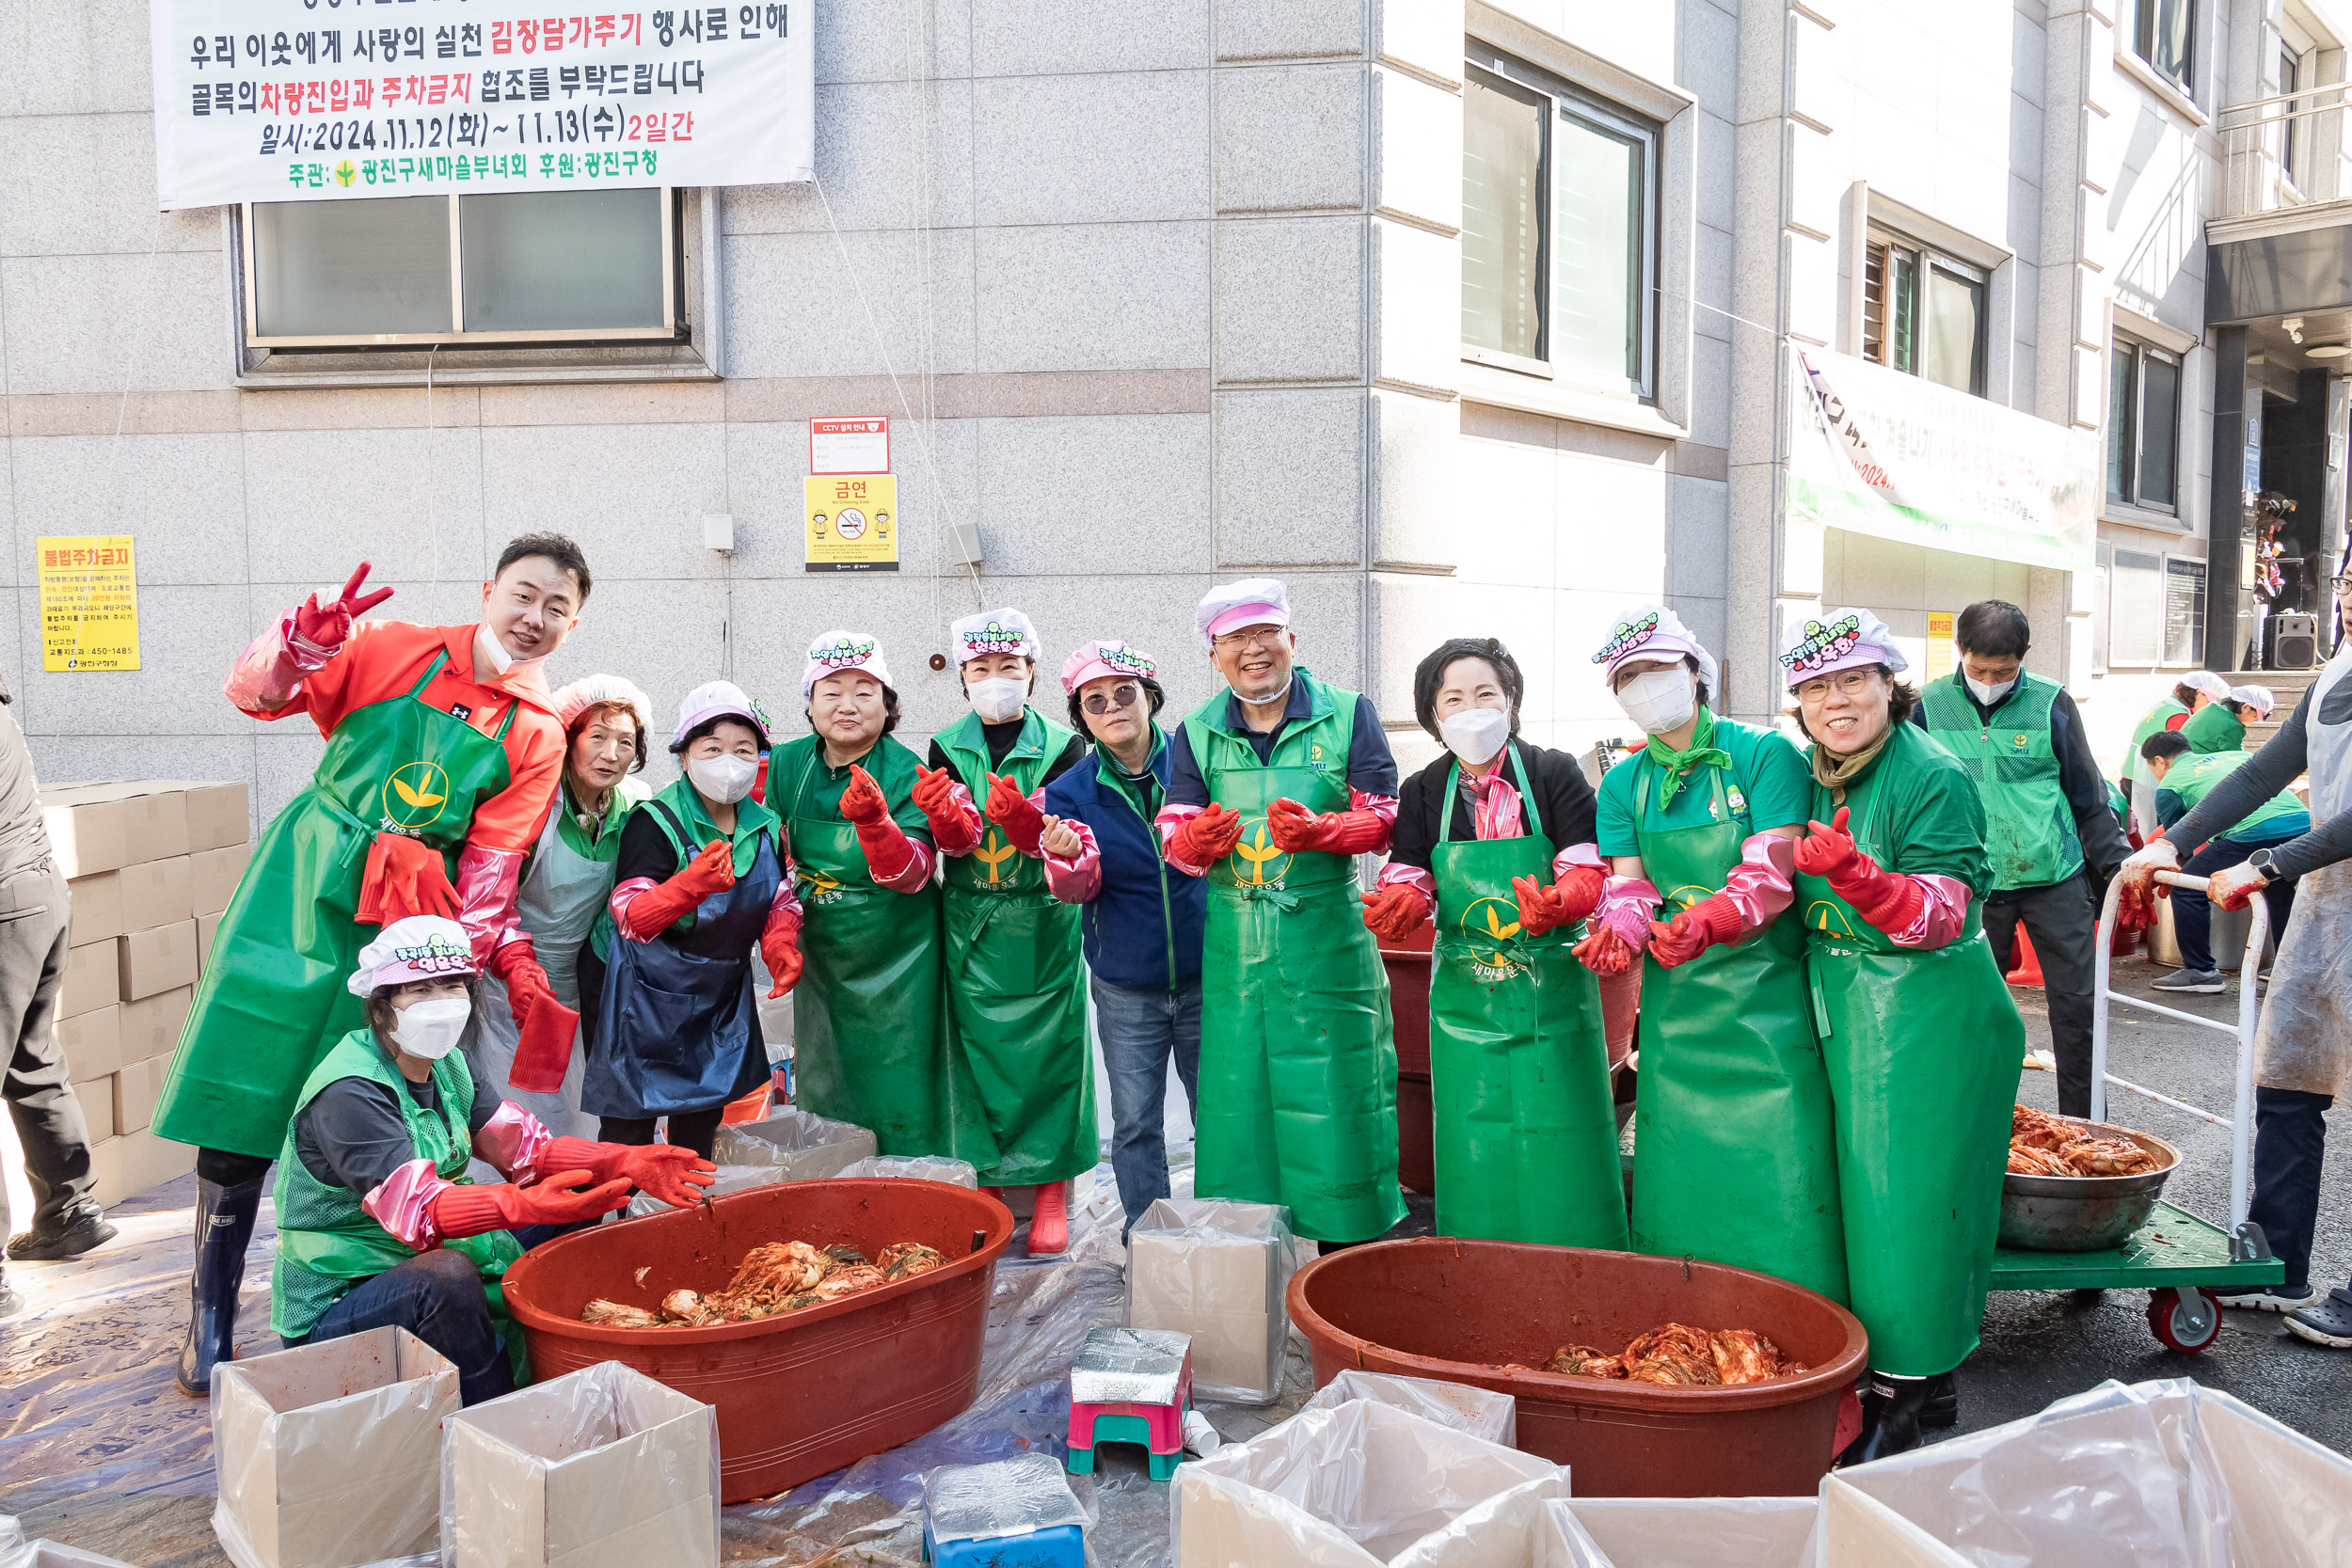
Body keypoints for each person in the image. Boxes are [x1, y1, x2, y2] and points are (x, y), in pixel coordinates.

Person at [158, 535, 588, 1397]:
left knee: (381, 1091)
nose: (535, 619)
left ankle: (368, 1279)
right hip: (302, 881)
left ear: (574, 624)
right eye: (524, 595)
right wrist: (300, 644)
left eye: (558, 609)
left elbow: (491, 872)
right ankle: (210, 1308)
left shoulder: (538, 731)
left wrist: (475, 965)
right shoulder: (392, 647)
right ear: (488, 590)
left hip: (404, 917)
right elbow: (256, 695)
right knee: (248, 1082)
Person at [272, 917, 711, 1404]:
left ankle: (564, 1343)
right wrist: (523, 1206)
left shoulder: (450, 1065)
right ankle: (494, 1410)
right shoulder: (350, 1092)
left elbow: (528, 1150)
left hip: (419, 1254)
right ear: (381, 1010)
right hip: (343, 1295)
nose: (440, 1003)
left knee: (584, 1187)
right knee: (448, 1278)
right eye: (419, 990)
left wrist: (621, 1160)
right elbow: (419, 1212)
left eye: (452, 986)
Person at [1782, 608, 2024, 1463]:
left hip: (1925, 1013)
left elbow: (1941, 912)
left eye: (1854, 680)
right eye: (1816, 686)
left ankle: (1901, 1404)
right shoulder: (1811, 770)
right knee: (1854, 1206)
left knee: (1909, 1207)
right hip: (1845, 999)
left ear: (1891, 683)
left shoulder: (1934, 773)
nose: (1835, 700)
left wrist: (1862, 879)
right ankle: (1924, 1374)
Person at [1576, 608, 1844, 1302]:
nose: (1646, 686)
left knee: (1785, 1174)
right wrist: (1620, 933)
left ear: (1695, 670)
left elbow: (1773, 866)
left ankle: (1801, 1316)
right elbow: (1631, 886)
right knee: (1685, 1181)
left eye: (1659, 668)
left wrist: (1711, 919)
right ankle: (1686, 1313)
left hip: (1769, 1014)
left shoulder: (1764, 754)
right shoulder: (1621, 785)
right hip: (1676, 1018)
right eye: (1628, 677)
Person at [1157, 578, 1405, 1248]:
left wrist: (1329, 831)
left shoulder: (1349, 713)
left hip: (1328, 953)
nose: (1253, 650)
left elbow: (1385, 817)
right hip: (1238, 962)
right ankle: (1244, 1266)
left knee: (1334, 1105)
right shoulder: (1197, 731)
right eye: (1234, 639)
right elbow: (1174, 831)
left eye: (1265, 633)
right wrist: (1191, 844)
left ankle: (1344, 1257)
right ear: (1215, 655)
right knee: (1242, 1108)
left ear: (1291, 638)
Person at [1360, 637, 1624, 1247]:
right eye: (1453, 697)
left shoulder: (1553, 772)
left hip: (1553, 1003)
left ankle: (1586, 1264)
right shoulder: (1423, 790)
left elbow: (1588, 864)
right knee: (1476, 1150)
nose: (1471, 708)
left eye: (1486, 693)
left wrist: (1566, 899)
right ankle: (1479, 1268)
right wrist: (1402, 904)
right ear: (1434, 715)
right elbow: (1411, 875)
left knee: (1564, 1146)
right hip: (1465, 1014)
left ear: (1510, 701)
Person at [2119, 662, 2352, 1333]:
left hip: (2312, 871)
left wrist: (2269, 864)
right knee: (2288, 1083)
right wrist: (2170, 838)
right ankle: (2277, 1262)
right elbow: (2258, 775)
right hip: (2330, 899)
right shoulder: (2334, 673)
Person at [912, 610, 1095, 1255]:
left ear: (1032, 671)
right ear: (962, 675)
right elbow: (952, 842)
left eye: (1009, 668)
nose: (996, 680)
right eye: (982, 669)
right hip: (970, 919)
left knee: (1053, 1051)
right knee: (974, 1053)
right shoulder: (945, 743)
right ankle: (986, 1184)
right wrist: (945, 817)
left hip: (1041, 914)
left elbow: (1069, 834)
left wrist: (1027, 822)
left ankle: (1050, 1190)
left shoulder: (1064, 745)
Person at [1914, 600, 2128, 1118]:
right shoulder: (1927, 705)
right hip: (1973, 883)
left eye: (2003, 671)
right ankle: (1976, 1125)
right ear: (1959, 652)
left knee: (2078, 1009)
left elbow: (2087, 793)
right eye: (1979, 669)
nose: (1990, 680)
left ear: (2024, 657)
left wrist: (2121, 865)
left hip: (2053, 875)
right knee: (1973, 1011)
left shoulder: (2052, 702)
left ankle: (2084, 1125)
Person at [582, 683, 800, 1159]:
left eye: (743, 750)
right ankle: (619, 1228)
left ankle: (685, 1219)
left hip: (716, 993)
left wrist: (780, 943)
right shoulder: (654, 820)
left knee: (701, 1120)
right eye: (713, 748)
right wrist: (687, 887)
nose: (729, 761)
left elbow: (780, 895)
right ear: (684, 757)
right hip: (636, 992)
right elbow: (630, 916)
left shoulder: (764, 825)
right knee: (628, 1131)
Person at [769, 632, 959, 1159]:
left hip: (902, 956)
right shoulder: (785, 765)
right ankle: (837, 1184)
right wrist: (778, 928)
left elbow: (917, 872)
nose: (847, 706)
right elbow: (773, 856)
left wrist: (877, 826)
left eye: (864, 691)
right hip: (823, 954)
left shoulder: (906, 770)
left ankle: (911, 1182)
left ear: (887, 704)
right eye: (830, 692)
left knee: (904, 1077)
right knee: (828, 1075)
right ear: (810, 704)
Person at [1041, 641, 1205, 1240]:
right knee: (1135, 1121)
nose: (1113, 708)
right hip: (1125, 984)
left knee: (1216, 1112)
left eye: (1125, 693)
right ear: (1081, 716)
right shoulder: (1068, 793)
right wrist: (1066, 860)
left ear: (1151, 699)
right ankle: (1149, 1237)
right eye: (1095, 701)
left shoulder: (1196, 767)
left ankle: (1217, 1233)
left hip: (1206, 973)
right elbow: (1076, 890)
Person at [473, 676, 654, 1139]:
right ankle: (521, 1205)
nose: (610, 755)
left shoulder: (636, 804)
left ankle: (575, 1199)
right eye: (597, 737)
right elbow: (488, 895)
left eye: (625, 742)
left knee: (577, 1101)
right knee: (518, 1097)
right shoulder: (536, 801)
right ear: (568, 739)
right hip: (511, 975)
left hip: (582, 978)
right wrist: (516, 968)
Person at [0, 677, 118, 1311]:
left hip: (3, 903)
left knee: (29, 1058)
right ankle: (69, 1210)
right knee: (31, 1059)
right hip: (39, 893)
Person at [2138, 730, 2305, 993]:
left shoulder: (2170, 784)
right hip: (2302, 823)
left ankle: (2200, 971)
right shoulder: (2235, 755)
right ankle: (2289, 968)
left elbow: (2180, 848)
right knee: (2278, 885)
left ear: (2159, 761)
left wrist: (2177, 876)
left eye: (2152, 768)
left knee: (2186, 887)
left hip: (2255, 831)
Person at [2181, 684, 2275, 754]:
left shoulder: (2213, 709)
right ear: (2245, 708)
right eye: (2256, 717)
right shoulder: (2231, 726)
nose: (2255, 721)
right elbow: (2234, 758)